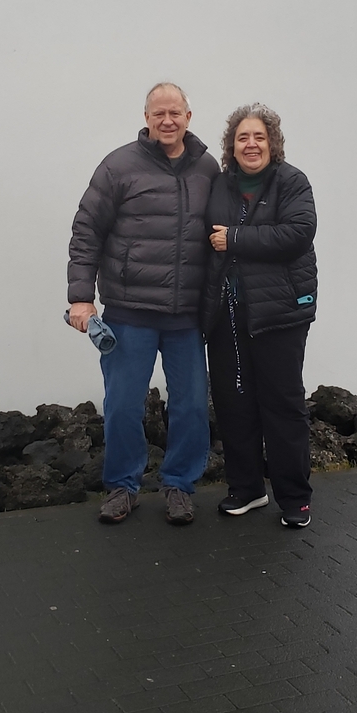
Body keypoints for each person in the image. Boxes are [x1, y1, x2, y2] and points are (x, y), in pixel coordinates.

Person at [68, 83, 219, 525]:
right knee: (123, 406)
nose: (167, 121)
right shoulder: (118, 166)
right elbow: (86, 232)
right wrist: (81, 296)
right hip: (129, 311)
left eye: (175, 113)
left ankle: (179, 485)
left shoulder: (208, 168)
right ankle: (122, 486)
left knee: (191, 405)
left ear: (189, 116)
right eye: (159, 114)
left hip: (186, 316)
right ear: (147, 118)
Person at [201, 103, 317, 527]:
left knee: (282, 405)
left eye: (259, 137)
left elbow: (297, 234)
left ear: (272, 143)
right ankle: (247, 489)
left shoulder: (291, 182)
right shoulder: (219, 185)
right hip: (227, 315)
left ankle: (294, 498)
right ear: (231, 146)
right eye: (242, 138)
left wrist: (234, 238)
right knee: (234, 403)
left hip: (280, 314)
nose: (251, 144)